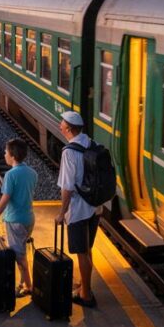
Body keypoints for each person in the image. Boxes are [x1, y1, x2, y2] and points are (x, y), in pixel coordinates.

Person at [55, 111, 100, 308]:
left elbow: (67, 187)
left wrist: (61, 213)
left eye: (62, 123)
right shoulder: (91, 143)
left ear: (69, 129)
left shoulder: (69, 152)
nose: (59, 125)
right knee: (88, 249)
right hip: (95, 207)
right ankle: (84, 286)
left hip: (80, 209)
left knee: (81, 252)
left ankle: (86, 296)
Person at [0, 138, 36, 297]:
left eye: (6, 152)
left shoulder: (11, 175)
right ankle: (24, 282)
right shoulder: (32, 173)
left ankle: (29, 287)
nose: (4, 154)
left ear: (13, 156)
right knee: (21, 251)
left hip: (15, 220)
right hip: (29, 218)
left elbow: (6, 198)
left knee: (19, 256)